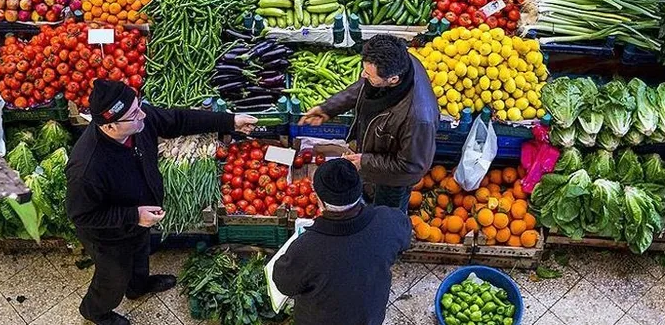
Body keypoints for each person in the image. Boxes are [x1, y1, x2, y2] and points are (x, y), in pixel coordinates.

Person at [66, 79, 257, 325]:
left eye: (138, 106)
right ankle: (96, 311)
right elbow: (81, 216)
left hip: (140, 219)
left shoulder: (138, 122)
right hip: (108, 236)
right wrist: (134, 216)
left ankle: (138, 286)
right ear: (110, 126)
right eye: (134, 114)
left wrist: (229, 121)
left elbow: (178, 120)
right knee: (113, 276)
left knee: (140, 254)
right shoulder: (86, 168)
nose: (143, 114)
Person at [298, 34, 440, 211]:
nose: (362, 75)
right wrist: (329, 108)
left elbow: (412, 166)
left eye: (369, 74)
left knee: (385, 213)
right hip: (376, 156)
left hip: (393, 181)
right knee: (368, 196)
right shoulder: (399, 61)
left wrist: (364, 161)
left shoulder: (418, 119)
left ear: (393, 80)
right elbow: (365, 86)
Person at [272, 158, 412, 325]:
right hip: (369, 318)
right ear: (359, 190)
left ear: (320, 200)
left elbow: (284, 284)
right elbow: (405, 238)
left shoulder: (306, 248)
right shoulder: (389, 221)